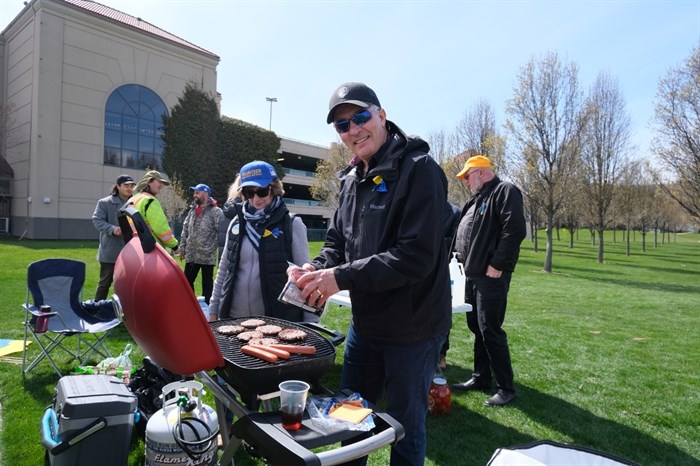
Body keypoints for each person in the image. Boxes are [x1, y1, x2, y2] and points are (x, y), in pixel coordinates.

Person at [291, 82, 451, 466]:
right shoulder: (349, 179)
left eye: (360, 117)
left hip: (413, 331)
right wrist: (315, 267)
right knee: (350, 422)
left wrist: (339, 278)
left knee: (405, 429)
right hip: (367, 326)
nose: (353, 130)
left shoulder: (421, 170)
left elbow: (415, 256)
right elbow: (337, 243)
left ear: (381, 114)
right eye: (342, 126)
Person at [449, 155, 527, 407]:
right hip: (470, 274)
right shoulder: (477, 198)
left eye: (468, 176)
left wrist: (497, 265)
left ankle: (506, 388)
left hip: (490, 276)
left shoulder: (505, 191)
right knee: (477, 326)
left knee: (490, 329)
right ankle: (481, 377)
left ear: (481, 172)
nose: (466, 181)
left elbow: (514, 229)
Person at [208, 160, 313, 323]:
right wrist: (214, 309)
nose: (255, 198)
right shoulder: (237, 222)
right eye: (249, 193)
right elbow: (223, 271)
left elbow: (305, 278)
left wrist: (310, 323)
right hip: (235, 318)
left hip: (276, 320)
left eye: (262, 191)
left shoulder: (292, 224)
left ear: (274, 189)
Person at [91, 174, 136, 300]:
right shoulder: (104, 203)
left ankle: (124, 312)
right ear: (118, 186)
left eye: (132, 185)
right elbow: (97, 220)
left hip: (131, 253)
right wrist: (112, 229)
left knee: (128, 285)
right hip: (110, 252)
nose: (130, 188)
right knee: (104, 284)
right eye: (126, 185)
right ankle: (97, 309)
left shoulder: (135, 203)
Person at [178, 183, 223, 304]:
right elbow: (185, 229)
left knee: (207, 285)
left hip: (207, 256)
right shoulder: (192, 211)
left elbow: (222, 232)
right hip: (192, 255)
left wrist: (218, 250)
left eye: (197, 192)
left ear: (206, 194)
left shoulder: (216, 212)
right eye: (194, 193)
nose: (194, 195)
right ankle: (190, 305)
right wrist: (182, 248)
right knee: (186, 282)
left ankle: (207, 309)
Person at [128, 170, 179, 252]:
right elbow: (161, 228)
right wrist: (174, 246)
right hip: (151, 249)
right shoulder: (150, 201)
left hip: (135, 249)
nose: (161, 185)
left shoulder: (133, 199)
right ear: (149, 182)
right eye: (159, 181)